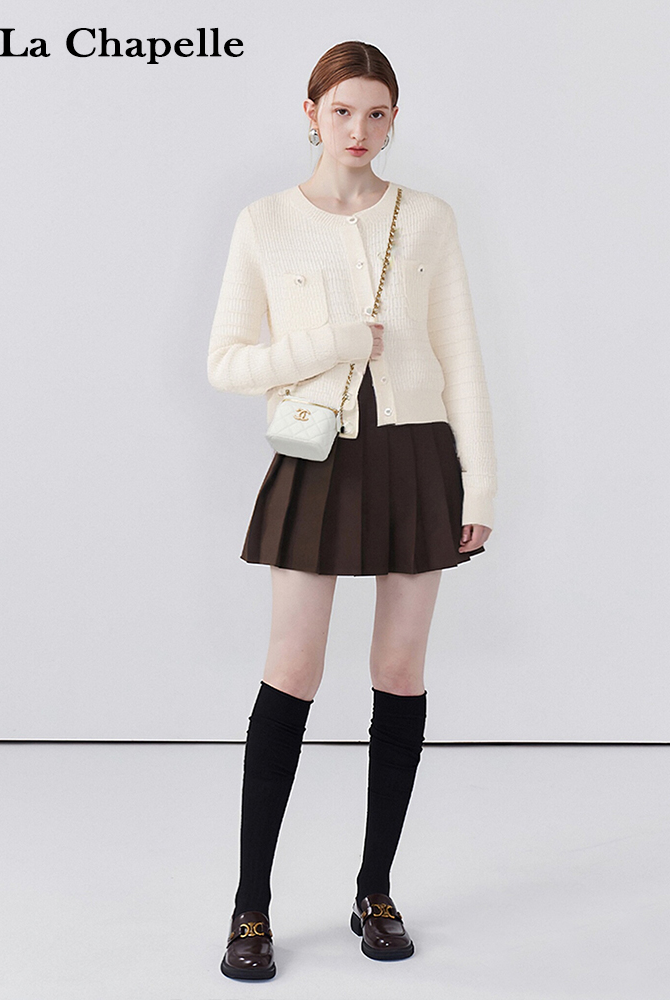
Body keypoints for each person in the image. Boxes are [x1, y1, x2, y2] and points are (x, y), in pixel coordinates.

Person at [207, 40, 497, 981]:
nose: (359, 130)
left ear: (393, 118)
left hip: (418, 457)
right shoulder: (265, 222)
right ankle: (251, 906)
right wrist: (331, 340)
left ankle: (376, 890)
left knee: (399, 673)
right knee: (292, 672)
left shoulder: (428, 218)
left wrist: (480, 486)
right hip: (317, 456)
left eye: (377, 113)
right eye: (342, 112)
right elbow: (226, 363)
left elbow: (461, 354)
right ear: (311, 113)